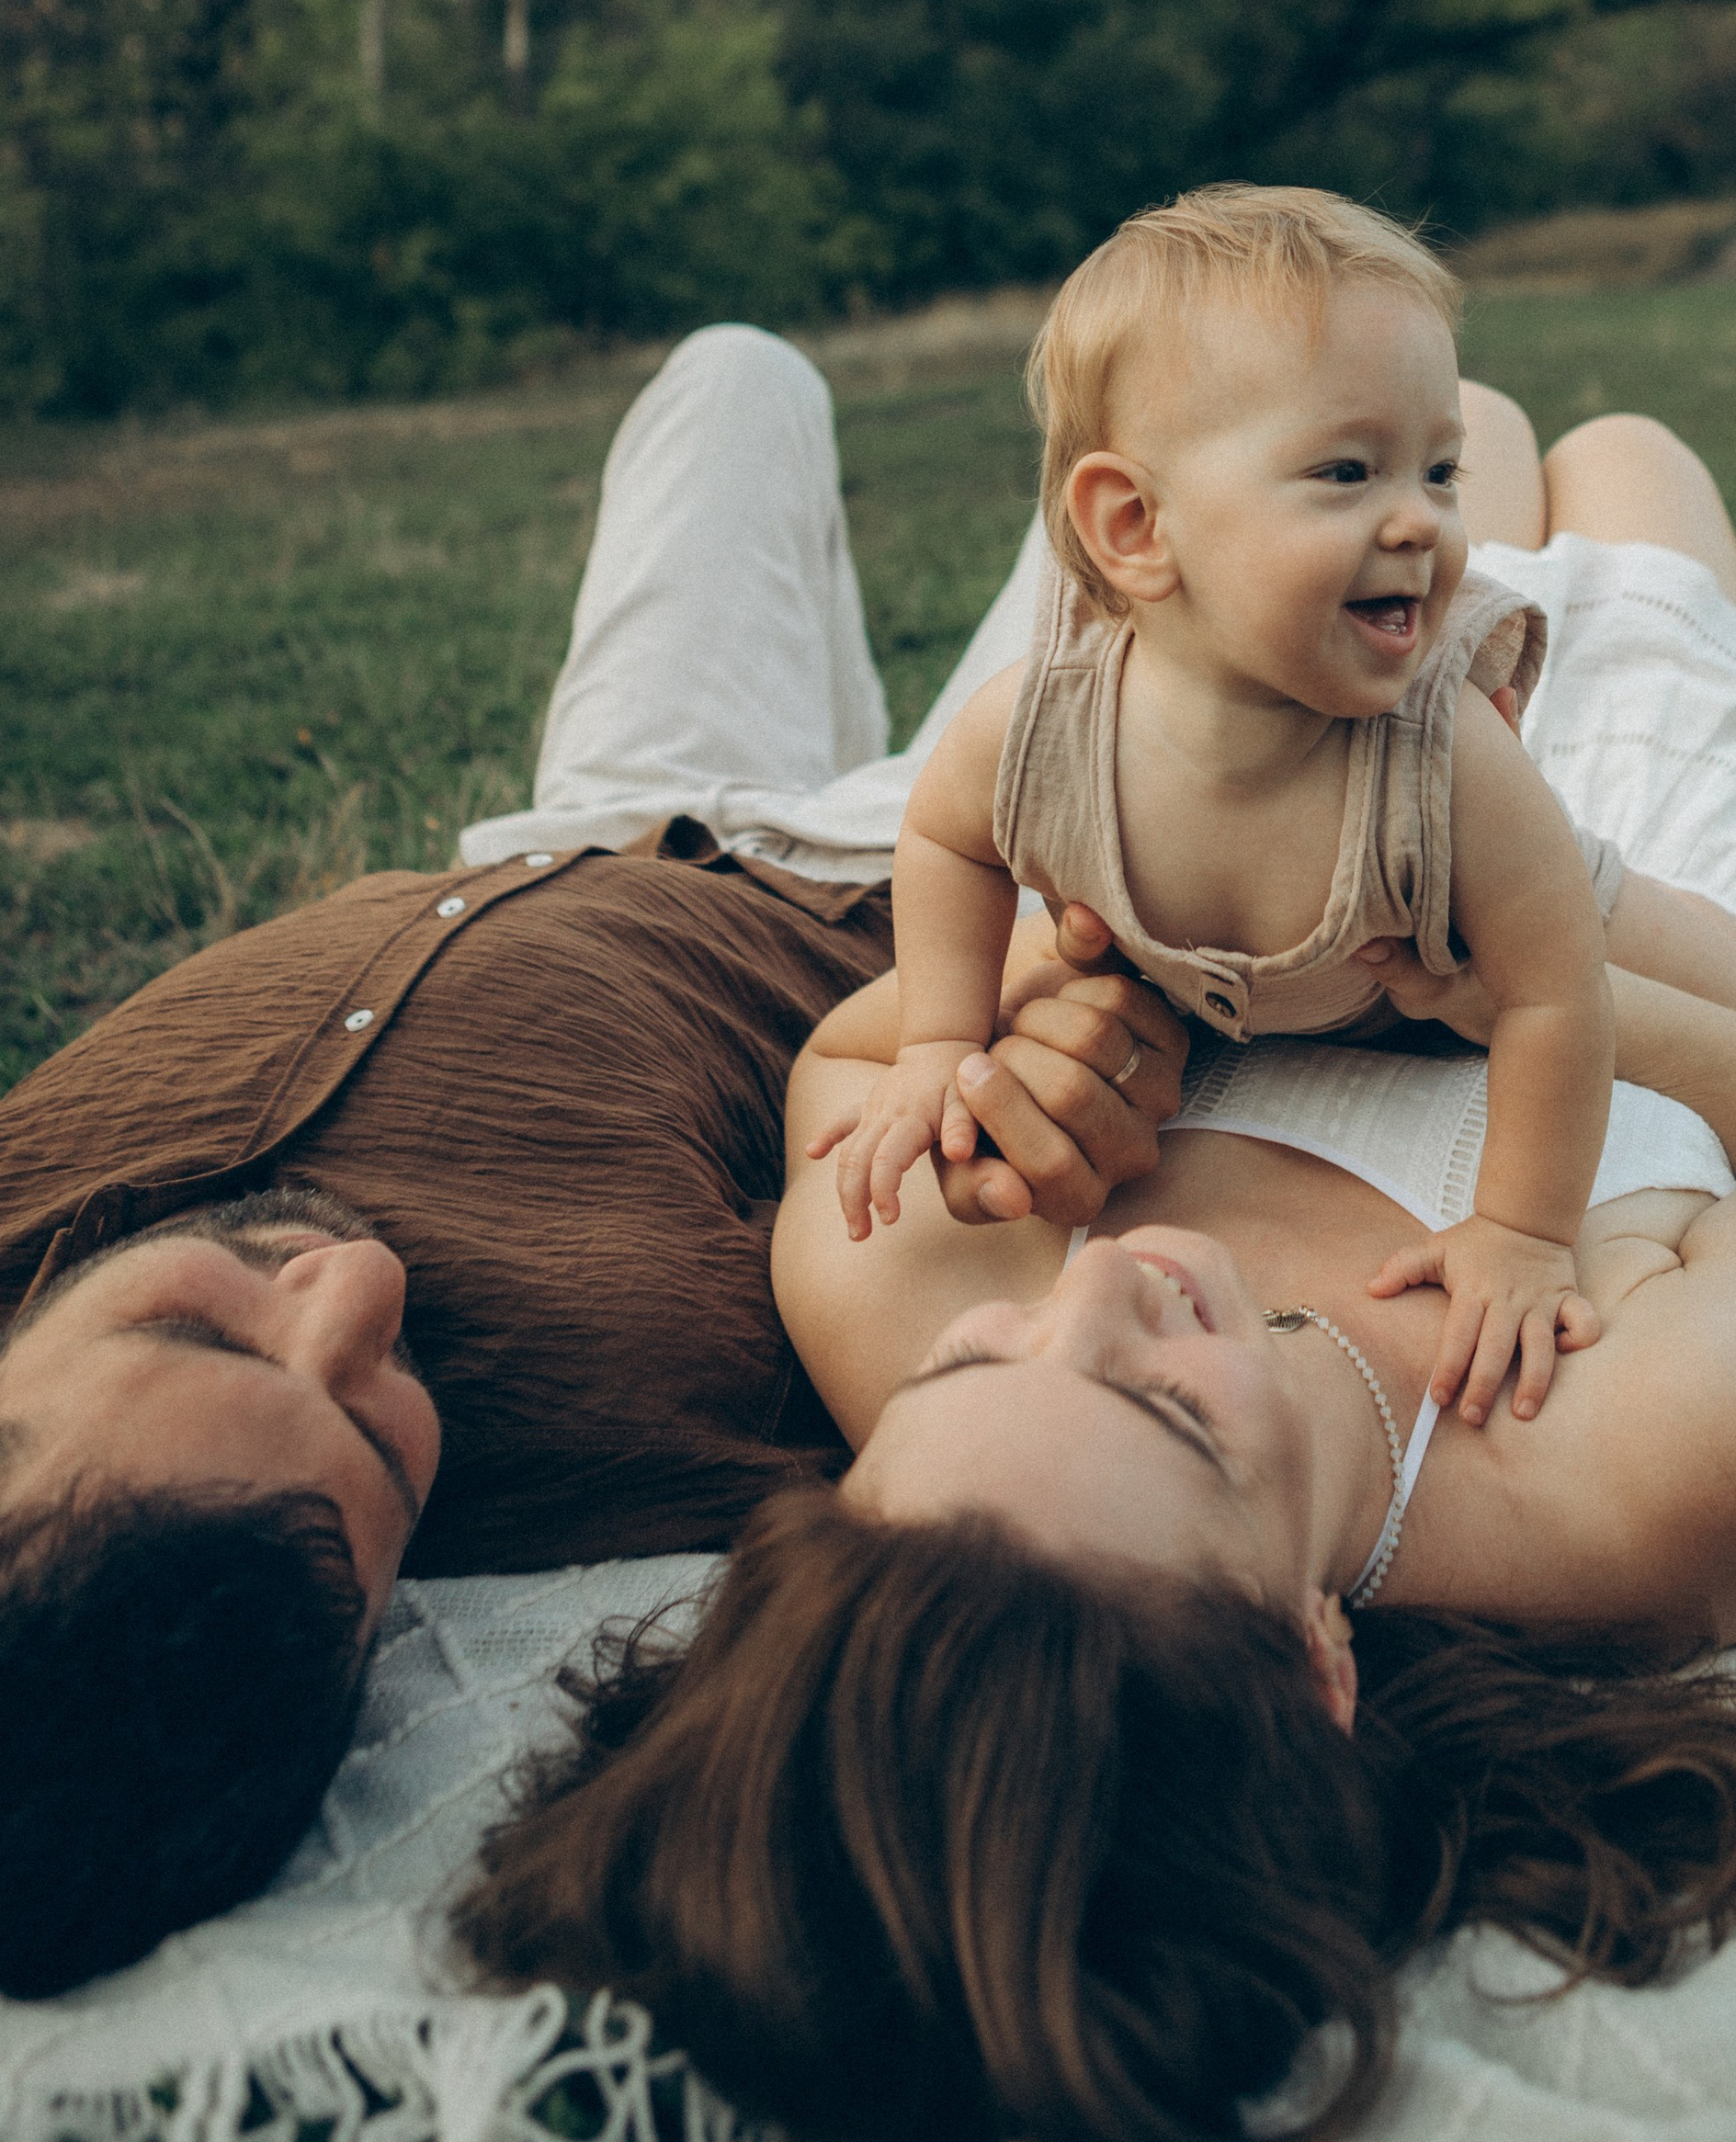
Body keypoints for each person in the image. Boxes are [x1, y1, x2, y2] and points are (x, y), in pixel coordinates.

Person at [457, 368, 1736, 2142]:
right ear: (1313, 1662)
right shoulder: (1677, 1467)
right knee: (1625, 461)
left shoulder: (916, 1296)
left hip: (1281, 826)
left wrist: (1054, 1019)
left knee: (1453, 429)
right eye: (1180, 1417)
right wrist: (1541, 981)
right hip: (1640, 905)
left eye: (988, 1367)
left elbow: (856, 1064)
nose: (1102, 1294)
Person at [0, 327, 1184, 1998]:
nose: (357, 1295)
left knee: (736, 375)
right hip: (916, 872)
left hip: (592, 816)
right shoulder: (637, 1435)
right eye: (375, 1438)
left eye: (191, 1326)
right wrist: (1086, 1047)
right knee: (1189, 426)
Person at [825, 187, 1736, 1428]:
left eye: (1440, 471)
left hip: (1473, 909)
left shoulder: (1448, 768)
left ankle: (1733, 928)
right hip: (1310, 962)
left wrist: (1521, 1230)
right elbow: (949, 841)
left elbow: (1555, 996)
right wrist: (941, 1039)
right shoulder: (1043, 728)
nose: (1424, 520)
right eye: (1347, 470)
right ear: (1134, 527)